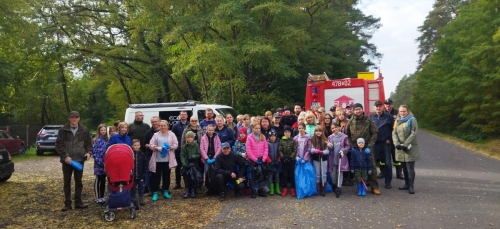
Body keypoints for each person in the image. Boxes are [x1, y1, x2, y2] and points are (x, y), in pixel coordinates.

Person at [56, 111, 92, 211]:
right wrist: (66, 156)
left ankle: (78, 202)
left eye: (76, 117)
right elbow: (59, 145)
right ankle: (67, 203)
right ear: (69, 118)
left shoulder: (84, 130)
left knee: (79, 181)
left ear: (79, 118)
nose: (74, 119)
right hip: (67, 161)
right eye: (72, 117)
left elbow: (89, 143)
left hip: (79, 160)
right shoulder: (63, 130)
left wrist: (89, 152)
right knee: (67, 182)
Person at [346, 103, 380, 195]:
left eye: (359, 109)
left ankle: (374, 187)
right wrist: (352, 145)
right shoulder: (351, 121)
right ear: (353, 111)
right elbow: (347, 134)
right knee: (357, 168)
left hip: (367, 148)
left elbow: (375, 133)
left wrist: (369, 146)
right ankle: (360, 187)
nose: (358, 111)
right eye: (356, 109)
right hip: (356, 149)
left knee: (372, 166)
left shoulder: (368, 120)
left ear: (362, 109)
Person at [393, 105, 420, 194]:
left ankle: (411, 186)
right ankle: (406, 184)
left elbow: (414, 133)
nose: (402, 113)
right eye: (401, 111)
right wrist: (396, 143)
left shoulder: (412, 120)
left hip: (410, 147)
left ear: (408, 111)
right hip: (400, 148)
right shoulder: (398, 120)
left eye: (404, 111)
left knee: (410, 168)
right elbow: (394, 133)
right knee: (404, 167)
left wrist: (406, 144)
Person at [148, 120, 178, 201]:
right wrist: (157, 148)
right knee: (156, 177)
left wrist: (170, 147)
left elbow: (176, 144)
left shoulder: (171, 134)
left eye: (164, 126)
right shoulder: (155, 135)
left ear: (167, 126)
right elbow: (151, 145)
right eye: (161, 126)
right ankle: (155, 192)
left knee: (166, 176)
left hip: (167, 159)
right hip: (157, 159)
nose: (163, 127)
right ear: (159, 126)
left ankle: (165, 191)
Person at [369, 100, 395, 189]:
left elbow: (393, 130)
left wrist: (390, 139)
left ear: (382, 107)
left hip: (385, 144)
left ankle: (388, 182)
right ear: (374, 107)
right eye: (376, 106)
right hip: (374, 144)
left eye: (380, 106)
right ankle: (371, 181)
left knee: (387, 163)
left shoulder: (388, 117)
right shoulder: (371, 117)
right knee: (373, 163)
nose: (378, 107)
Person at [327, 123, 350, 197]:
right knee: (332, 174)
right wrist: (329, 146)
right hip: (332, 158)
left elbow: (347, 146)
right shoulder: (330, 137)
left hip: (341, 158)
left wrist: (343, 150)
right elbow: (329, 147)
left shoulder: (344, 136)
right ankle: (334, 184)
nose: (334, 129)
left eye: (335, 127)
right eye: (332, 128)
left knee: (340, 173)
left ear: (339, 127)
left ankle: (339, 187)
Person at [246, 123, 269, 198]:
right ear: (252, 129)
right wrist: (255, 159)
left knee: (261, 175)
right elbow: (248, 150)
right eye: (256, 128)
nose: (258, 130)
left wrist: (264, 158)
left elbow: (266, 148)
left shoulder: (263, 136)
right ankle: (253, 190)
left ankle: (261, 190)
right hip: (253, 160)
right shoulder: (249, 137)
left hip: (261, 159)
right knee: (253, 176)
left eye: (259, 128)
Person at [385, 99, 404, 180]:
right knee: (384, 158)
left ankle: (399, 172)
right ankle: (383, 172)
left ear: (392, 105)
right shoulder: (383, 113)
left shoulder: (397, 113)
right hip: (386, 139)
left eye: (389, 104)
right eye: (386, 104)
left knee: (397, 157)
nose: (388, 105)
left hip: (396, 139)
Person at [200, 124, 221, 192]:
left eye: (212, 130)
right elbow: (201, 149)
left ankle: (214, 186)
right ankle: (207, 187)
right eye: (209, 130)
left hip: (215, 157)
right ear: (207, 130)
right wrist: (206, 158)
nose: (211, 131)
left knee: (214, 172)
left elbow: (219, 147)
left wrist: (215, 157)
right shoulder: (203, 138)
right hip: (206, 158)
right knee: (207, 172)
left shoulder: (216, 137)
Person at [180, 131, 201, 198]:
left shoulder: (196, 145)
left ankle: (193, 189)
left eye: (191, 137)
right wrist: (184, 164)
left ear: (193, 138)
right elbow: (182, 155)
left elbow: (198, 154)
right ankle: (187, 189)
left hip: (194, 164)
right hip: (186, 164)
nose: (189, 139)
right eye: (188, 137)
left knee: (193, 177)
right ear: (186, 138)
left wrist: (193, 156)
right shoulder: (184, 147)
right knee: (186, 177)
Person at [309, 126, 329, 196]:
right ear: (314, 132)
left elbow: (328, 150)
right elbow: (311, 149)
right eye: (316, 131)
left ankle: (323, 187)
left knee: (323, 174)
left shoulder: (325, 139)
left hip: (324, 159)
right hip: (316, 159)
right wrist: (315, 150)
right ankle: (318, 188)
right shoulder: (313, 140)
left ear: (322, 132)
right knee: (317, 174)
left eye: (320, 131)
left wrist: (323, 152)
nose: (318, 133)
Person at [172, 110, 189, 190]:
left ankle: (188, 182)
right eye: (182, 114)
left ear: (187, 116)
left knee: (187, 166)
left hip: (188, 149)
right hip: (179, 149)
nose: (183, 116)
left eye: (185, 114)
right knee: (178, 166)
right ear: (180, 116)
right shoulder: (175, 126)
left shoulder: (189, 124)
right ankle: (177, 182)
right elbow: (173, 137)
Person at [279, 125, 297, 197]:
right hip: (284, 160)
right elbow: (280, 150)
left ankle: (292, 188)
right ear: (284, 133)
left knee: (291, 174)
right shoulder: (281, 140)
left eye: (288, 132)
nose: (287, 133)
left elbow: (294, 150)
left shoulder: (293, 140)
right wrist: (283, 158)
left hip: (291, 160)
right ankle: (285, 188)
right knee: (285, 175)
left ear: (290, 133)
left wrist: (290, 157)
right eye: (285, 132)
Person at [93, 124, 108, 205]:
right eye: (101, 130)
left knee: (103, 180)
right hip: (99, 164)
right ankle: (97, 197)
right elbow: (94, 153)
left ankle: (102, 196)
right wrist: (100, 162)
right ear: (99, 131)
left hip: (105, 164)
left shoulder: (106, 140)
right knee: (98, 180)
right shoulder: (96, 140)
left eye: (104, 130)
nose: (103, 131)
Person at [143, 116, 160, 194]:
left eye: (156, 121)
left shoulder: (163, 131)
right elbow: (145, 144)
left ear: (159, 121)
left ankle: (157, 186)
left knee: (159, 172)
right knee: (150, 172)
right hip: (150, 154)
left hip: (161, 155)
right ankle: (150, 188)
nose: (154, 123)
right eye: (153, 122)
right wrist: (151, 146)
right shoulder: (148, 132)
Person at [233, 127, 251, 195]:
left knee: (247, 175)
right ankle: (240, 188)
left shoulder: (248, 140)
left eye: (243, 133)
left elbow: (251, 149)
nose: (242, 135)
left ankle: (247, 188)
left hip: (247, 161)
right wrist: (241, 154)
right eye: (240, 133)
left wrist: (247, 155)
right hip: (239, 161)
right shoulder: (237, 141)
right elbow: (234, 150)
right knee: (240, 175)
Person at [131, 139, 148, 205]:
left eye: (138, 145)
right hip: (133, 176)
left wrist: (145, 172)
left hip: (140, 175)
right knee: (133, 188)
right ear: (132, 146)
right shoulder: (131, 154)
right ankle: (132, 199)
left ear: (140, 146)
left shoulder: (142, 154)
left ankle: (141, 199)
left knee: (141, 187)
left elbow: (145, 163)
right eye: (135, 145)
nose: (136, 147)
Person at [267, 130, 281, 196]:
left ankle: (277, 188)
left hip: (277, 162)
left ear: (276, 136)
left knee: (277, 176)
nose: (272, 137)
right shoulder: (267, 143)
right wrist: (269, 161)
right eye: (271, 136)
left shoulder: (279, 142)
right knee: (270, 176)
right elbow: (266, 153)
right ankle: (271, 189)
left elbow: (281, 151)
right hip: (270, 162)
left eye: (274, 136)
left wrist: (279, 160)